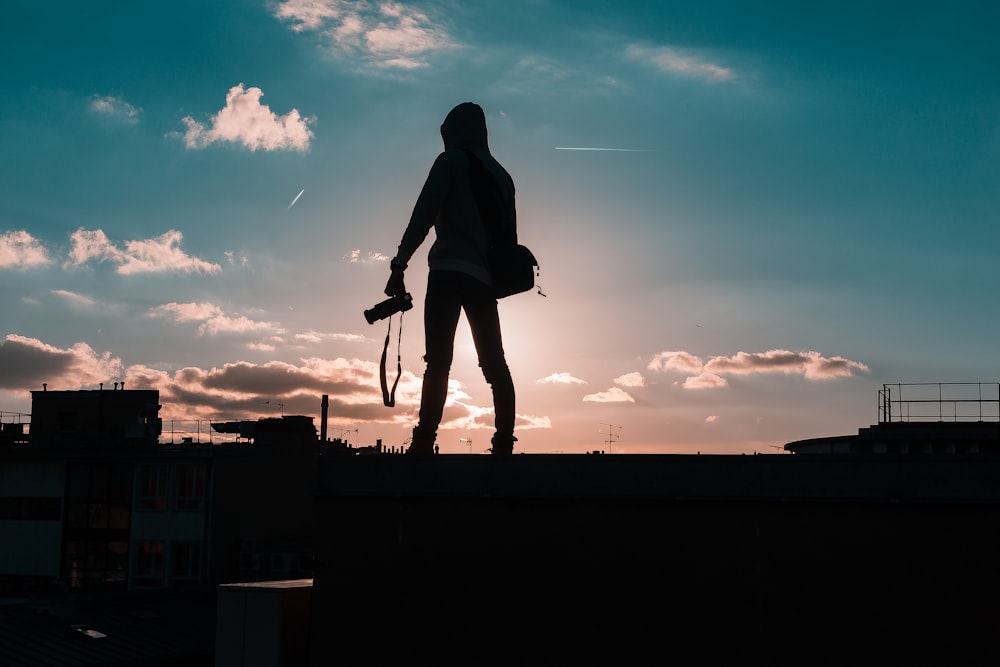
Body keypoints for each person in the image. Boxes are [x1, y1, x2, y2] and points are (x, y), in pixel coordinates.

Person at [384, 102, 517, 456]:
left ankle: (424, 442)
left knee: (438, 361)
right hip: (484, 280)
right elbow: (509, 241)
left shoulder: (450, 162)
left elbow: (422, 216)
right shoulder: (503, 178)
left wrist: (399, 264)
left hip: (446, 274)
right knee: (495, 363)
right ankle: (504, 442)